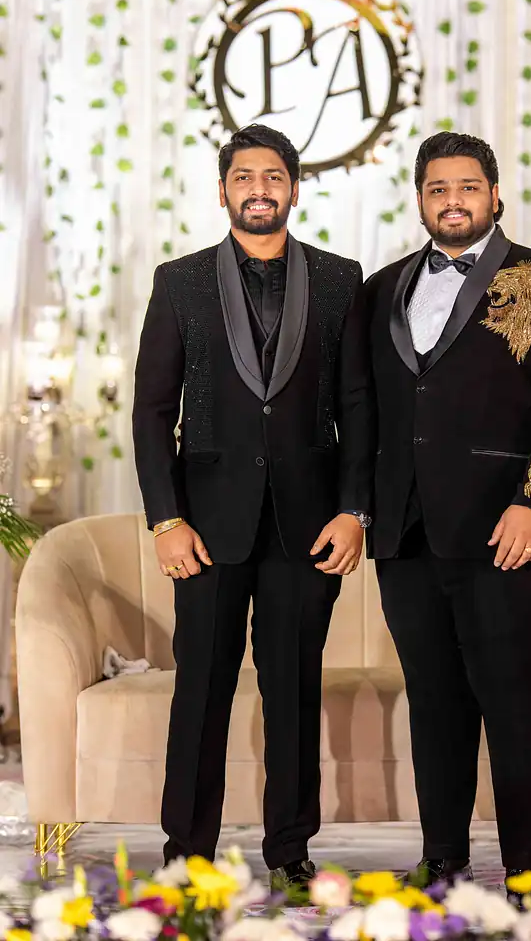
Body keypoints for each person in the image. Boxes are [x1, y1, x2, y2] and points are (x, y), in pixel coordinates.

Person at [132, 123, 373, 891]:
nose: (259, 189)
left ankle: (290, 852)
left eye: (273, 176)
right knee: (200, 690)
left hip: (309, 526)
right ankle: (187, 853)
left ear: (295, 188)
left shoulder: (340, 280)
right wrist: (166, 519)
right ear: (223, 190)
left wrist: (354, 511)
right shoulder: (179, 281)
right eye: (244, 177)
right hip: (204, 526)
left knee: (294, 690)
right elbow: (151, 411)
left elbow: (359, 407)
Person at [364, 132, 531, 897]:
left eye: (468, 186)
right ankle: (443, 860)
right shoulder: (381, 289)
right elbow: (367, 409)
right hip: (406, 532)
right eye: (438, 188)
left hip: (509, 533)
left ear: (495, 196)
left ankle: (528, 873)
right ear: (420, 199)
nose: (453, 200)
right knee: (434, 703)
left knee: (517, 703)